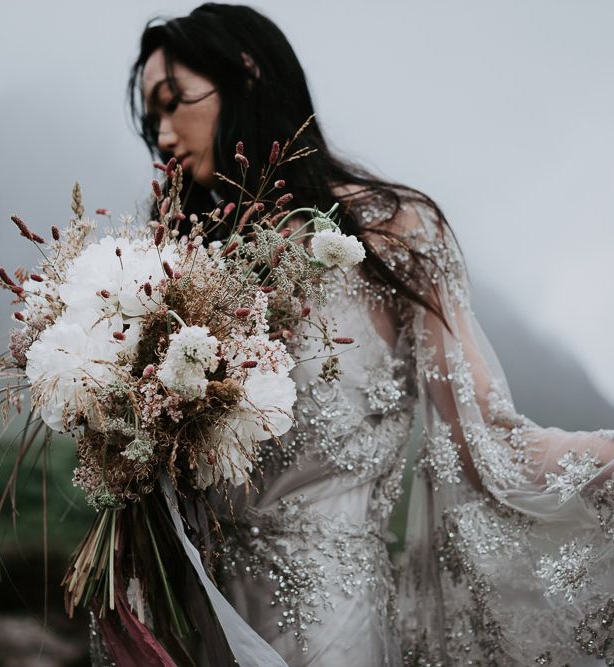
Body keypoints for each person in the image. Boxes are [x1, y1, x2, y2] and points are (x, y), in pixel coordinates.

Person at [102, 4, 614, 665]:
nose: (164, 135)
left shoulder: (388, 233)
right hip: (203, 621)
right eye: (152, 120)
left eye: (174, 103)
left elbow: (488, 436)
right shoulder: (183, 266)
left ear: (247, 76)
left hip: (330, 631)